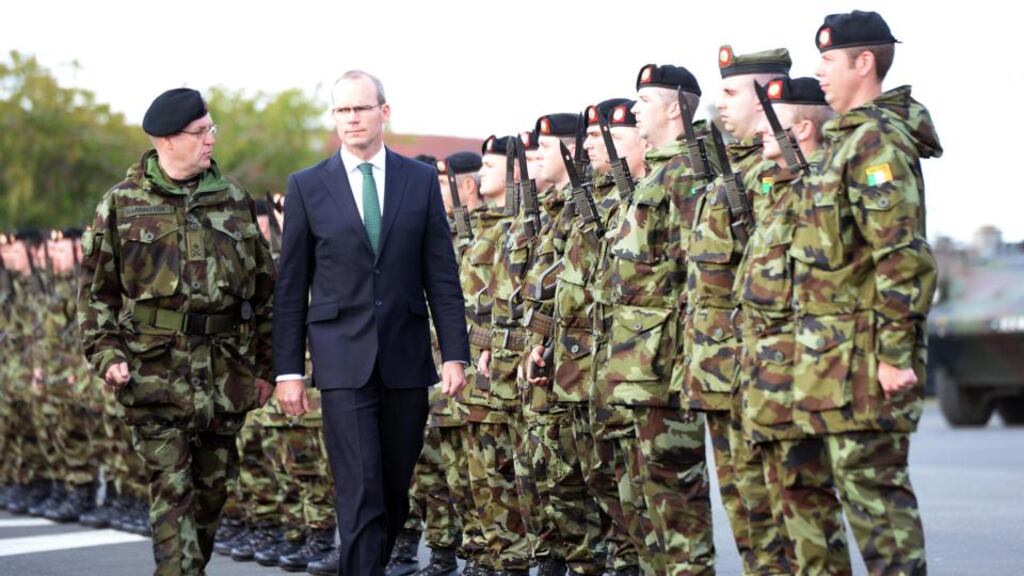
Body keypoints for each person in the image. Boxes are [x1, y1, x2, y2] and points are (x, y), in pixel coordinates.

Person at [273, 70, 470, 576]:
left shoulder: (419, 181)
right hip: (342, 361)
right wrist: (288, 370)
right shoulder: (307, 186)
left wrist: (454, 353)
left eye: (361, 108)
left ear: (384, 112)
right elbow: (292, 287)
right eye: (342, 111)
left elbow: (441, 275)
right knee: (361, 489)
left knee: (393, 492)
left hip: (406, 359)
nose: (351, 119)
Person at [78, 87, 276, 576]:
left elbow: (267, 293)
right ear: (166, 140)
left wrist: (269, 366)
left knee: (209, 501)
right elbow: (95, 296)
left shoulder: (233, 200)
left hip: (224, 378)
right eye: (200, 132)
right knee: (173, 496)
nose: (211, 140)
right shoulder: (122, 205)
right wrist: (108, 355)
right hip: (154, 377)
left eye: (212, 129)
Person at [790, 11, 941, 574]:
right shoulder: (845, 141)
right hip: (831, 361)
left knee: (879, 513)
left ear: (864, 62)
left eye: (828, 60)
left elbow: (900, 255)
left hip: (866, 363)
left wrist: (895, 355)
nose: (819, 72)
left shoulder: (874, 142)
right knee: (826, 504)